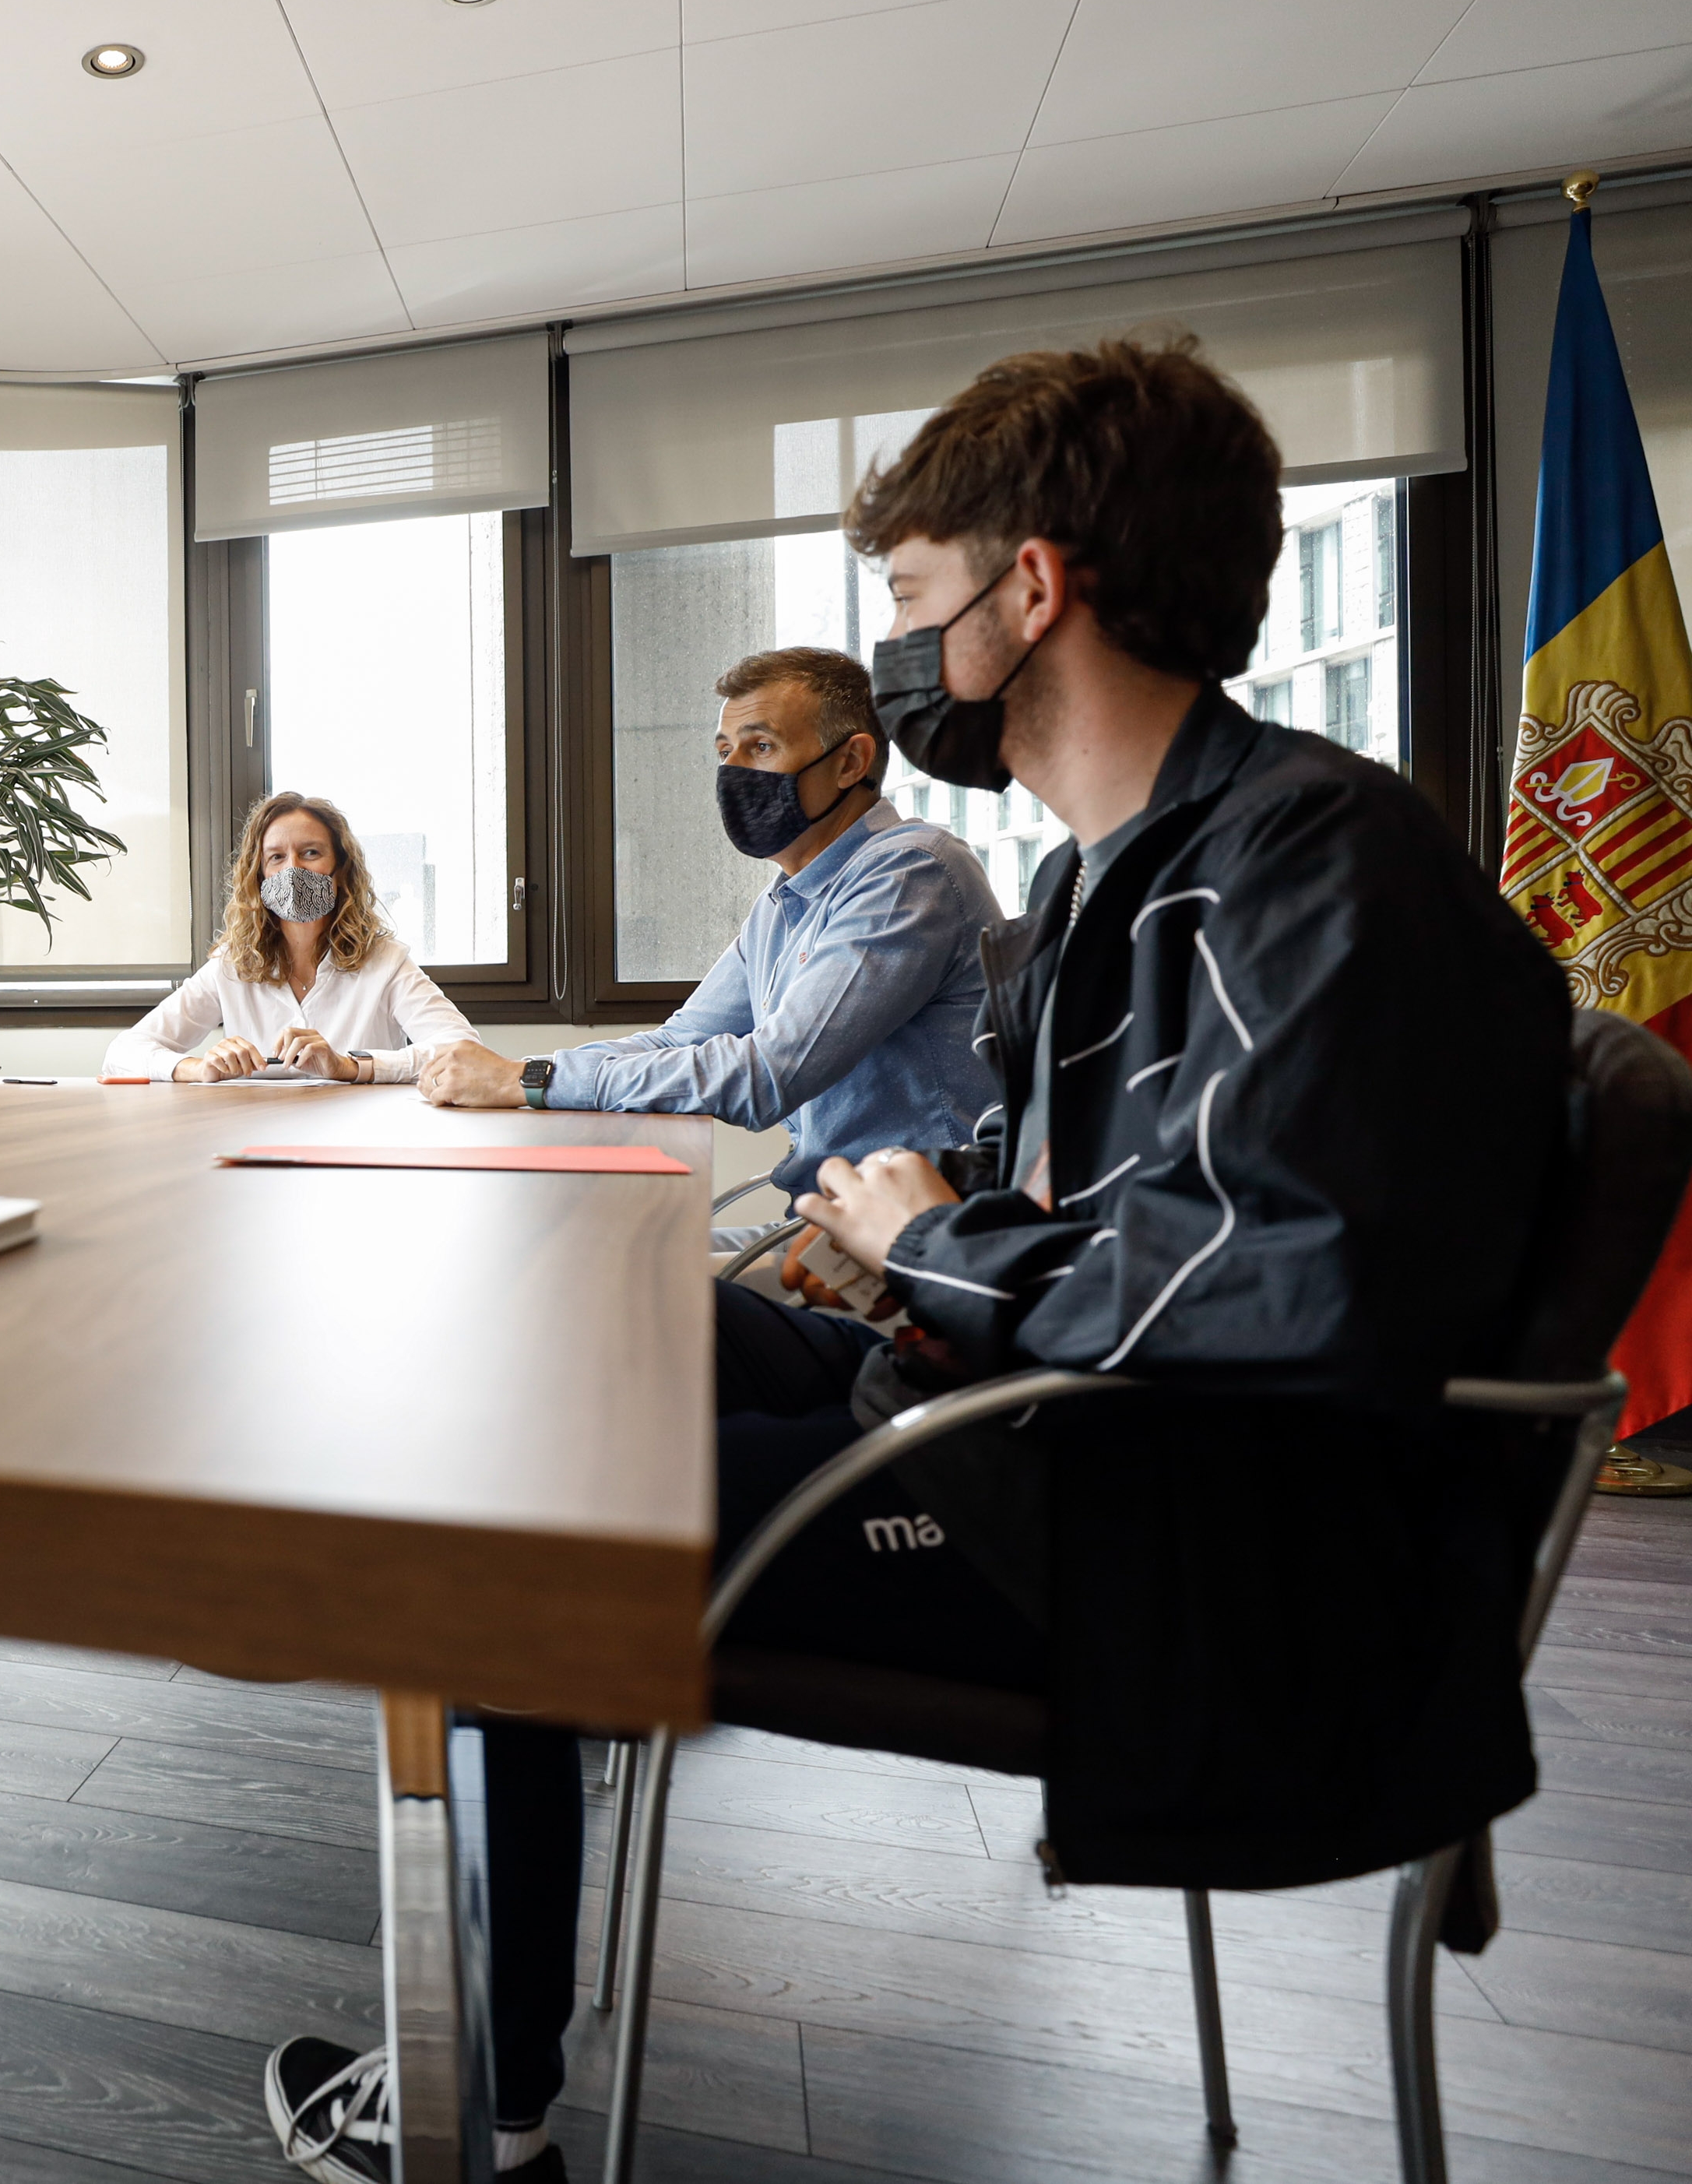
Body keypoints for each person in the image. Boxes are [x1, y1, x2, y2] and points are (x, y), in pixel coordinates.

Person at [266, 337, 1575, 2182]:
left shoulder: (1311, 863)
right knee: (602, 1344)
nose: (895, 648)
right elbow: (1121, 1183)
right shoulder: (1107, 872)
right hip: (1031, 1420)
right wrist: (911, 1227)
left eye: (907, 598)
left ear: (1028, 586)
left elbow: (1294, 1293)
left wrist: (929, 1237)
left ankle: (480, 2106)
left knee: (496, 1540)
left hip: (1148, 1544)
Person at [416, 649, 1001, 1215]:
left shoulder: (910, 872)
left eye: (761, 746)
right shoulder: (783, 903)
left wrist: (529, 1079)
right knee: (620, 1269)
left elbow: (766, 1074)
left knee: (625, 1290)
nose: (734, 773)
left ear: (850, 762)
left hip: (927, 1235)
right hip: (832, 1221)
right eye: (726, 751)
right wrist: (518, 1072)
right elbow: (681, 1040)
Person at [104, 791, 476, 1084]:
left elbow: (463, 1050)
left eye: (310, 853)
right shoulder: (231, 966)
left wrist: (349, 1066)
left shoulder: (386, 962)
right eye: (277, 857)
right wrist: (198, 1068)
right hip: (255, 1135)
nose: (293, 870)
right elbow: (122, 1053)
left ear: (341, 870)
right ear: (260, 876)